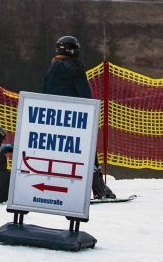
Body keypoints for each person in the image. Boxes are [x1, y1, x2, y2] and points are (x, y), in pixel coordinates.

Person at [43, 35, 116, 200]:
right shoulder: (75, 68)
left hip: (55, 119)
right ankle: (100, 190)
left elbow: (46, 93)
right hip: (75, 118)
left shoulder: (51, 70)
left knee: (61, 155)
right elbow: (85, 95)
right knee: (87, 151)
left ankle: (59, 190)